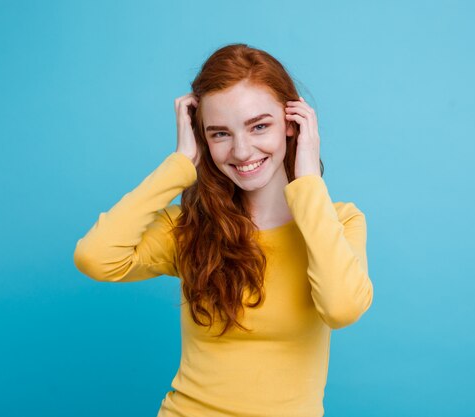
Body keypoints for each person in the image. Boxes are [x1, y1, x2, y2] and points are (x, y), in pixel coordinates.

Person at [73, 43, 374, 417]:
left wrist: (308, 180)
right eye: (219, 134)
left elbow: (342, 309)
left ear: (292, 123)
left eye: (259, 126)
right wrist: (181, 163)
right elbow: (95, 258)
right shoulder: (190, 227)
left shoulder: (339, 222)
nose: (243, 151)